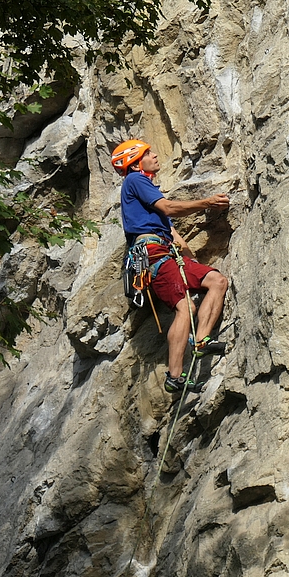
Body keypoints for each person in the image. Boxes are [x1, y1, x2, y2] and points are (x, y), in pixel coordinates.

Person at [114, 139, 231, 393]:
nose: (155, 155)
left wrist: (193, 266)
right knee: (185, 306)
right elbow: (169, 208)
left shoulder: (149, 210)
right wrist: (207, 203)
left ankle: (201, 341)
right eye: (148, 153)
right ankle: (175, 376)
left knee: (216, 281)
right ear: (135, 165)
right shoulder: (135, 181)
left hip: (165, 253)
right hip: (153, 256)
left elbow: (176, 237)